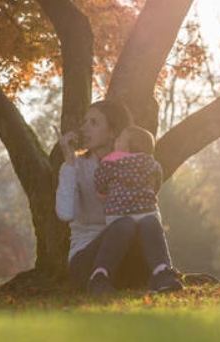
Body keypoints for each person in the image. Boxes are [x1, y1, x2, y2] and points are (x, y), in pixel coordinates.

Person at [55, 100, 183, 295]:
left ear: (114, 132)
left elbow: (148, 210)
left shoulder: (138, 165)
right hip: (86, 262)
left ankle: (163, 274)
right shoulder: (76, 167)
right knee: (124, 224)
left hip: (126, 262)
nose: (84, 128)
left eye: (94, 123)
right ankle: (98, 279)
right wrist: (69, 163)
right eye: (85, 122)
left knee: (144, 221)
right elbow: (65, 214)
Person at [94, 125, 162, 226]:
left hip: (117, 214)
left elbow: (100, 182)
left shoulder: (110, 162)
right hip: (147, 212)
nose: (116, 140)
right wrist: (150, 194)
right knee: (153, 228)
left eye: (120, 139)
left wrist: (103, 194)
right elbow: (157, 184)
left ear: (127, 148)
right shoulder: (150, 163)